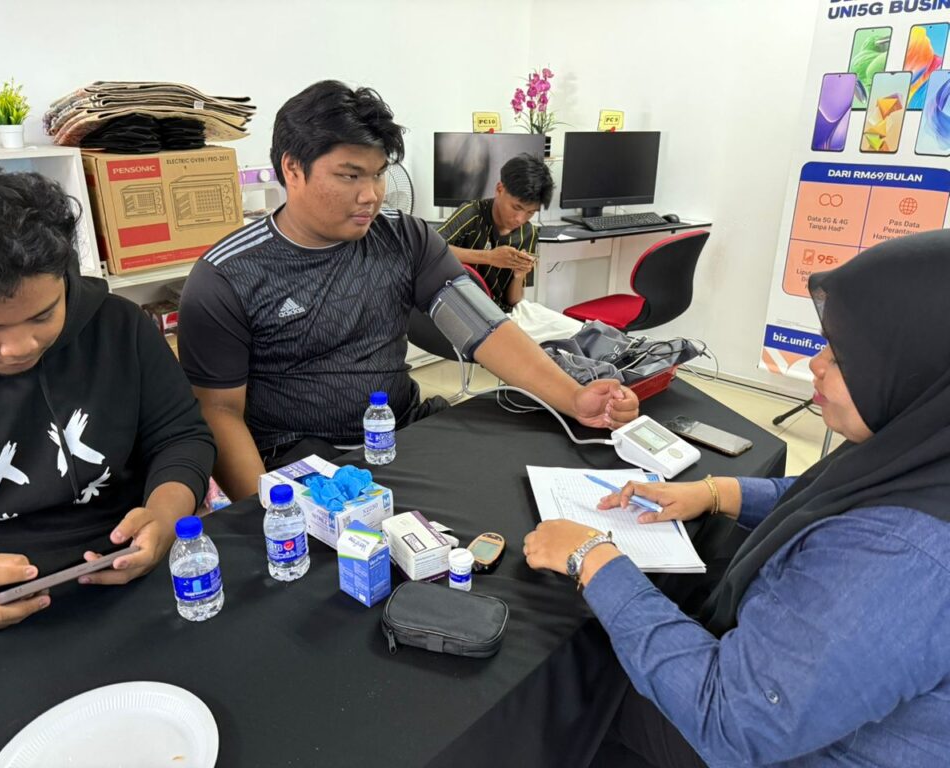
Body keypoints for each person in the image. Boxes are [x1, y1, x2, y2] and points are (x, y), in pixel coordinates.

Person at [523, 230, 950, 766]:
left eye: (842, 357)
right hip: (805, 712)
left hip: (779, 744)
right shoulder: (921, 449)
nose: (816, 365)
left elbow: (730, 719)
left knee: (581, 682)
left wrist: (593, 557)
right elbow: (827, 496)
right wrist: (716, 492)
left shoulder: (900, 556)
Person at [179, 80, 639, 502]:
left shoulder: (405, 237)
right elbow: (219, 411)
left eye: (378, 174)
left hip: (399, 431)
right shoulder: (227, 276)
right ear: (292, 169)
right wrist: (264, 511)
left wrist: (574, 397)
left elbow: (486, 329)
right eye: (350, 175)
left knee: (520, 487)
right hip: (301, 456)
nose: (371, 195)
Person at [0, 167, 216, 632]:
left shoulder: (119, 326)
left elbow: (180, 437)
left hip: (138, 561)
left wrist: (165, 518)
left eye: (43, 315)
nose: (20, 347)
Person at [435, 153, 552, 312]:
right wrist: (489, 257)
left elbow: (513, 301)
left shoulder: (528, 233)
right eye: (516, 207)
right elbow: (432, 249)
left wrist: (519, 276)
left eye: (530, 212)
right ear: (499, 189)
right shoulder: (472, 213)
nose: (520, 219)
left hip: (501, 313)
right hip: (463, 307)